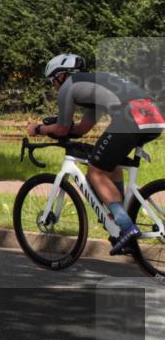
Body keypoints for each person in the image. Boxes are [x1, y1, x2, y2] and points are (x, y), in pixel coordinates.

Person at [26, 54, 164, 255]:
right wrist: (56, 129)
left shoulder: (68, 86)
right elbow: (83, 128)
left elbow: (64, 128)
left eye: (52, 81)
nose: (53, 86)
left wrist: (38, 129)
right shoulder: (92, 84)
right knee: (110, 167)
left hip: (130, 117)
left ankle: (126, 227)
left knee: (95, 173)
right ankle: (119, 220)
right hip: (152, 115)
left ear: (61, 75)